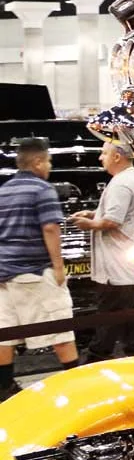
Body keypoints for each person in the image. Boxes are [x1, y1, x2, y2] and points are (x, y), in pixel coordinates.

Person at [0, 137, 79, 397]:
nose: (49, 167)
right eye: (48, 162)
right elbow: (50, 228)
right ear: (37, 162)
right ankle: (75, 382)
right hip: (34, 271)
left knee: (5, 331)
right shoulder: (42, 189)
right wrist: (58, 267)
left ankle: (4, 387)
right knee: (59, 325)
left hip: (4, 273)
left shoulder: (4, 190)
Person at [70, 141, 134, 361]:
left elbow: (112, 221)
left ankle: (95, 359)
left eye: (104, 153)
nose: (100, 157)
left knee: (108, 318)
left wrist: (89, 224)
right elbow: (116, 213)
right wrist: (93, 214)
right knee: (130, 322)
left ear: (117, 157)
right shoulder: (130, 178)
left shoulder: (121, 183)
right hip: (124, 268)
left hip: (116, 268)